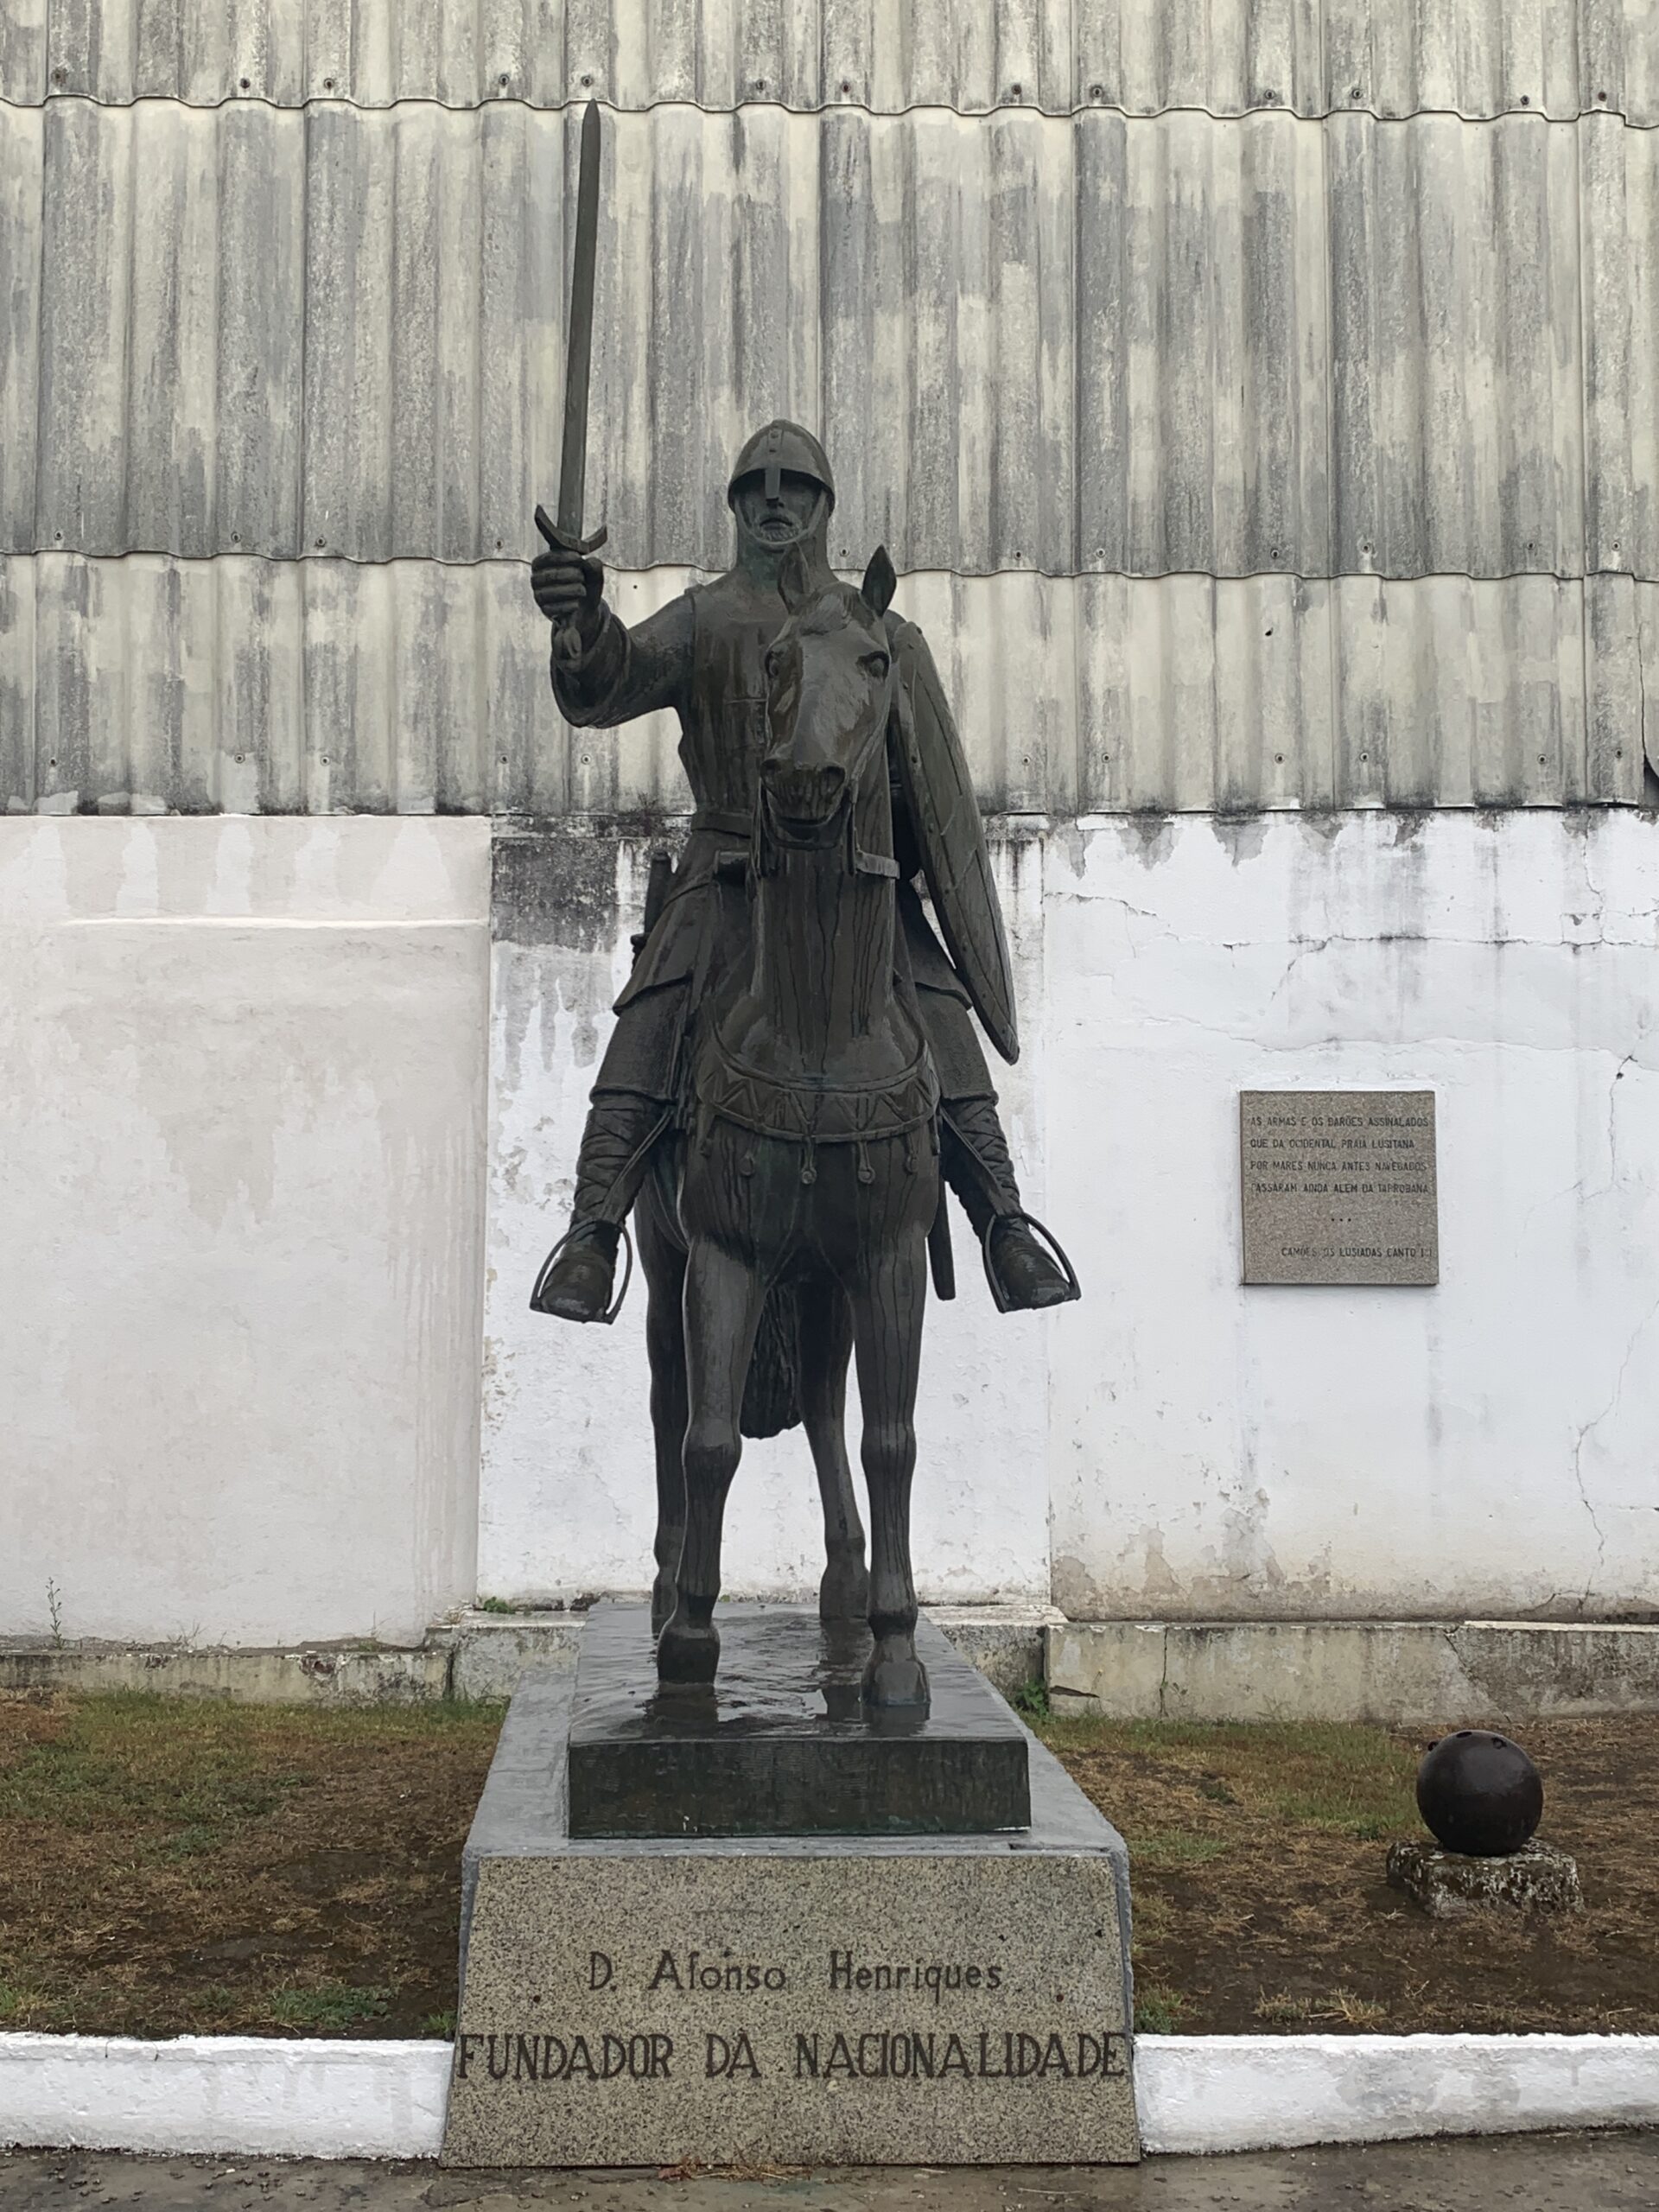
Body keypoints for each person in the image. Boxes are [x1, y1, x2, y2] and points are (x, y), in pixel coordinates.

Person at [527, 419, 1077, 1323]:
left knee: (938, 1007)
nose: (775, 499)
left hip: (856, 883)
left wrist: (907, 884)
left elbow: (931, 793)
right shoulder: (705, 618)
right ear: (737, 505)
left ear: (825, 506)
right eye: (757, 485)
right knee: (655, 1012)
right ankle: (593, 1232)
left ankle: (1003, 1222)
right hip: (727, 873)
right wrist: (579, 618)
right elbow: (604, 686)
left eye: (795, 485)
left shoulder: (883, 634)